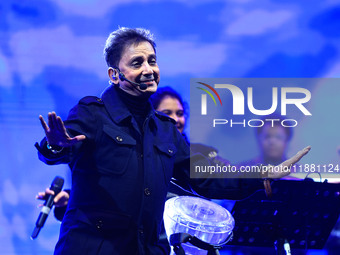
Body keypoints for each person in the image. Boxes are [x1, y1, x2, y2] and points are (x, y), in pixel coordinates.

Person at [35, 27, 310, 255]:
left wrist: (262, 174)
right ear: (114, 75)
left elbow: (207, 179)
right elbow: (56, 150)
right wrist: (56, 145)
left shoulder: (166, 130)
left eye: (152, 61)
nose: (148, 69)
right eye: (136, 63)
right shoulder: (92, 113)